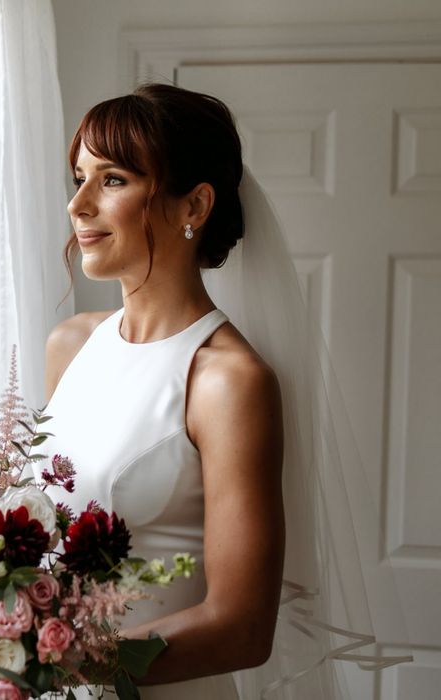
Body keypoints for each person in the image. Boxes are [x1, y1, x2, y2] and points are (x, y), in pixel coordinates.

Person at [41, 83, 408, 699]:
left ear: (194, 205)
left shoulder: (230, 382)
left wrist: (58, 665)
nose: (78, 204)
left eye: (112, 180)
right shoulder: (71, 345)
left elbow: (242, 627)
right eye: (79, 177)